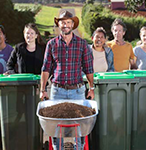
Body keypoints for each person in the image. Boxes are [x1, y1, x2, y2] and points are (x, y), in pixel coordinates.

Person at [39, 10, 94, 150]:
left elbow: (88, 68)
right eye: (62, 22)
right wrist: (43, 89)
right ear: (59, 24)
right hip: (58, 91)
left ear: (73, 24)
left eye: (68, 22)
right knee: (56, 128)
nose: (65, 25)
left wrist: (91, 88)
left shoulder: (82, 44)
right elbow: (45, 69)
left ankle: (79, 148)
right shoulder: (51, 44)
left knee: (79, 128)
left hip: (78, 91)